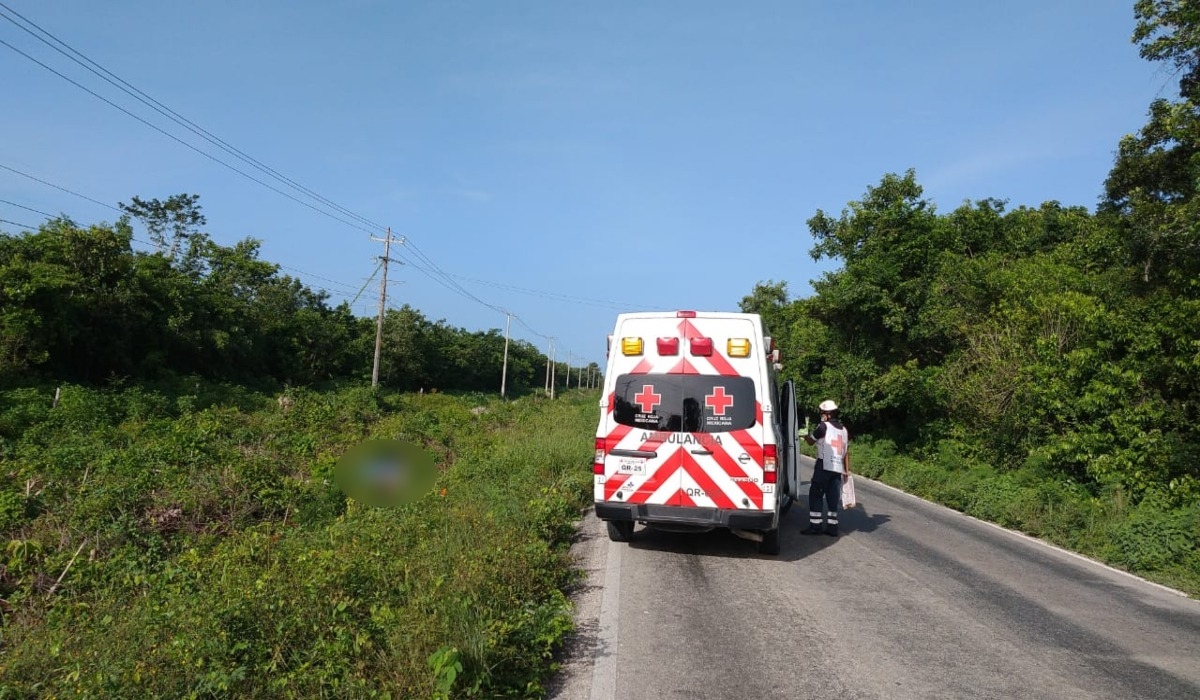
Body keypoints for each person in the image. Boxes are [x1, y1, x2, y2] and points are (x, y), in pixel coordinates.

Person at [801, 399, 851, 537]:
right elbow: (847, 452)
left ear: (828, 414)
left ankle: (815, 526)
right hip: (837, 468)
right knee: (832, 497)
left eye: (823, 413)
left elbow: (811, 441)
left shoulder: (824, 426)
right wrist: (847, 470)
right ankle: (832, 527)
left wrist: (805, 436)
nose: (821, 415)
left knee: (816, 494)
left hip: (824, 466)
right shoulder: (844, 430)